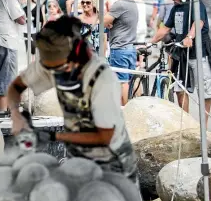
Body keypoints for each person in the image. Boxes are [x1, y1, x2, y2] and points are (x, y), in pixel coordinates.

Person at [7, 16, 139, 186]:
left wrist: (51, 136)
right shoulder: (53, 63)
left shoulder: (102, 80)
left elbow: (104, 136)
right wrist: (16, 114)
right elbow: (16, 87)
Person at [151, 0, 211, 127]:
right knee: (179, 91)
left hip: (200, 52)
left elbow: (199, 22)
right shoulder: (175, 8)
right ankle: (187, 126)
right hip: (182, 54)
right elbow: (165, 29)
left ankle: (203, 128)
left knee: (204, 93)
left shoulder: (196, 3)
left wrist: (190, 36)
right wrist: (150, 43)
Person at [104, 0, 139, 105]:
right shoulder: (131, 0)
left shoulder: (119, 4)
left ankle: (124, 112)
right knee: (131, 81)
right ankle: (137, 107)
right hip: (130, 48)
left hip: (119, 49)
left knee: (121, 82)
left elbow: (102, 22)